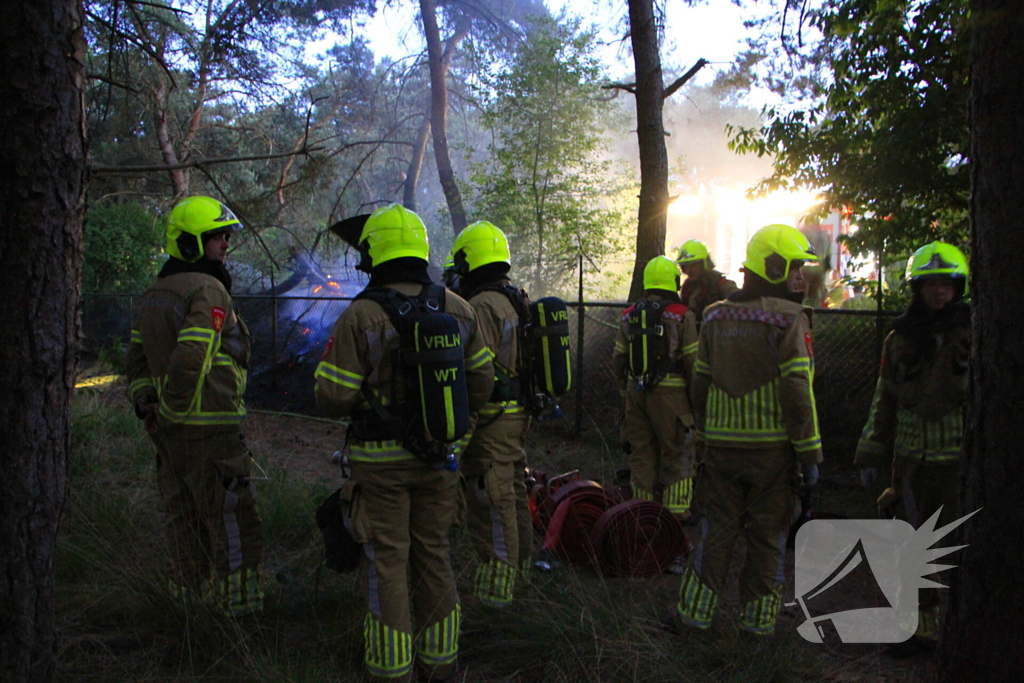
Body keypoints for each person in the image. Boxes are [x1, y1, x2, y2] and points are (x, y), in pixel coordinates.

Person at [315, 204, 494, 683]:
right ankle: (441, 665)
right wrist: (458, 429)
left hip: (379, 466)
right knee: (434, 554)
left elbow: (332, 396)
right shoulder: (459, 308)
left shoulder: (362, 315)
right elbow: (482, 384)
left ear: (372, 254)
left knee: (387, 561)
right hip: (441, 460)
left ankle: (391, 672)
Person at [672, 224, 822, 636]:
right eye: (794, 268)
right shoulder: (791, 319)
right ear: (773, 268)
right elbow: (797, 391)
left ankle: (694, 616)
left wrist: (705, 432)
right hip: (772, 455)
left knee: (715, 532)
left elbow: (700, 382)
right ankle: (756, 627)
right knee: (767, 539)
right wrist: (809, 455)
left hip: (720, 451)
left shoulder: (717, 315)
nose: (801, 278)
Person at [126, 195, 264, 616]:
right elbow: (192, 355)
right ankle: (240, 612)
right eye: (215, 236)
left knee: (182, 518)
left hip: (169, 435)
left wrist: (147, 403)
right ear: (189, 243)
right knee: (232, 516)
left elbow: (137, 361)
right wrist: (174, 408)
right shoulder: (208, 288)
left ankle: (187, 606)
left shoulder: (155, 292)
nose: (225, 243)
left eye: (225, 235)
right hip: (210, 429)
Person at [854, 241, 970, 656]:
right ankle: (918, 629)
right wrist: (871, 452)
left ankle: (946, 629)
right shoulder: (898, 339)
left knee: (948, 544)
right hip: (908, 462)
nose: (939, 292)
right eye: (930, 285)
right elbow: (884, 397)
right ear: (917, 288)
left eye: (946, 284)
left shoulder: (973, 332)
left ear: (959, 287)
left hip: (956, 460)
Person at [447, 220, 535, 606]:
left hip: (492, 415)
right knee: (513, 492)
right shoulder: (516, 297)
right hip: (516, 412)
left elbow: (477, 370)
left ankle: (497, 595)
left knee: (492, 499)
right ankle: (522, 574)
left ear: (470, 259)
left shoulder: (482, 305)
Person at [613, 255, 699, 519]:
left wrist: (625, 393)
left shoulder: (629, 314)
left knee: (642, 454)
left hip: (635, 393)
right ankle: (676, 517)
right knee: (678, 453)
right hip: (672, 396)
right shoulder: (683, 316)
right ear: (674, 282)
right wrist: (694, 401)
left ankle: (642, 515)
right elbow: (693, 362)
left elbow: (618, 359)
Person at [674, 239, 738, 324]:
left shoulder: (721, 284)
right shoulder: (687, 287)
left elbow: (738, 302)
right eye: (685, 266)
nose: (689, 270)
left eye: (693, 265)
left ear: (704, 263)